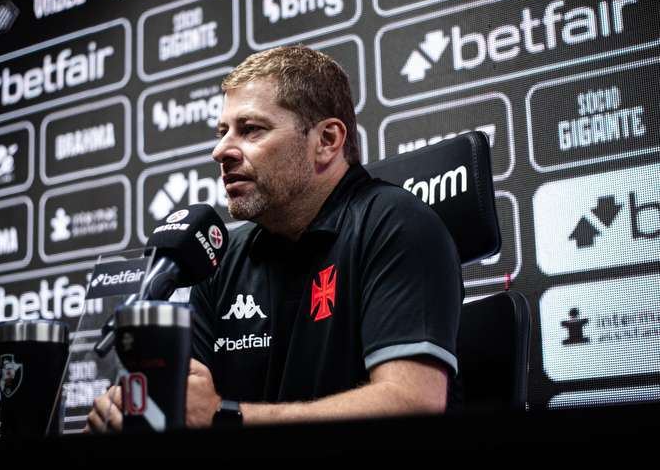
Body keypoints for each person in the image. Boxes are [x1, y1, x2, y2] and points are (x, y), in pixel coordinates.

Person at [85, 46, 462, 433]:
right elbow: (189, 404)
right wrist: (138, 413)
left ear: (327, 140)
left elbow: (412, 401)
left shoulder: (396, 223)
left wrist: (222, 416)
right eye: (222, 132)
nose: (220, 151)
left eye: (251, 130)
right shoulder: (221, 258)